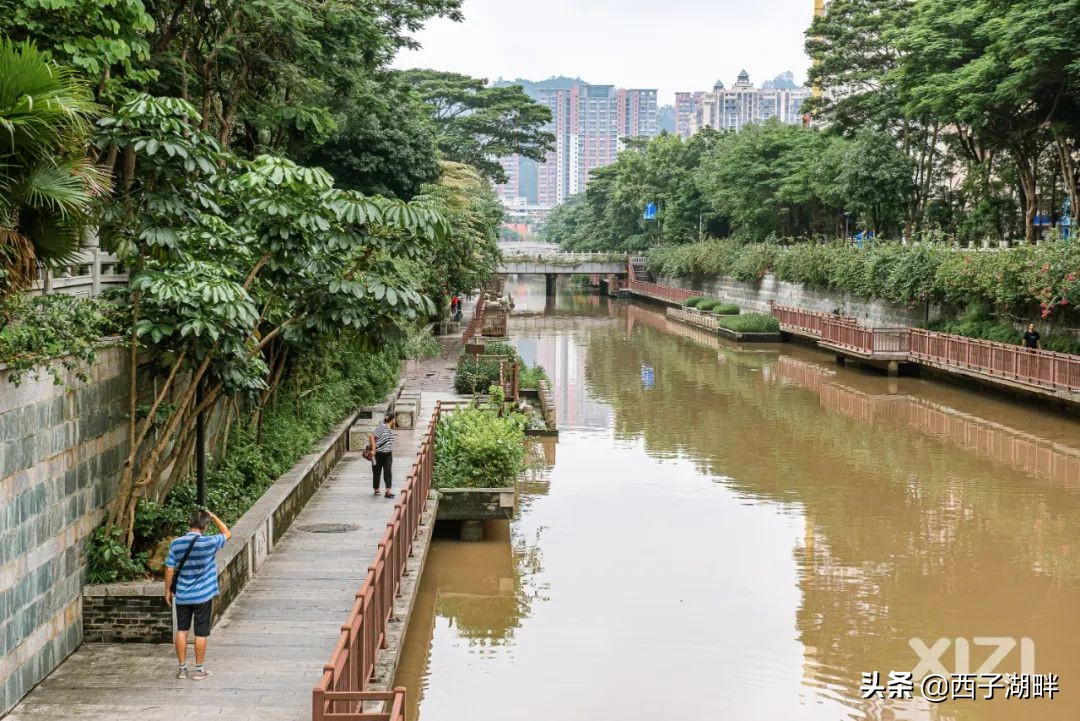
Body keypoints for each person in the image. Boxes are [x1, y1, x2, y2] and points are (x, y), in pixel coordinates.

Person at [164, 508, 231, 680]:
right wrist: (214, 516)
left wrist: (167, 590)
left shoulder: (176, 543)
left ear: (189, 522)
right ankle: (199, 670)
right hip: (203, 595)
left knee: (182, 630)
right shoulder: (209, 542)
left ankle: (182, 669)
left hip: (183, 594)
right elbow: (227, 533)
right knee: (201, 633)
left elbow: (170, 568)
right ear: (205, 525)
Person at [369, 412, 396, 498]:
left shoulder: (391, 428)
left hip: (388, 454)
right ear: (392, 419)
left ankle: (388, 491)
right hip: (377, 454)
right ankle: (376, 489)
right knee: (376, 472)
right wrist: (373, 449)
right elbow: (372, 436)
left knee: (388, 471)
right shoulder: (382, 426)